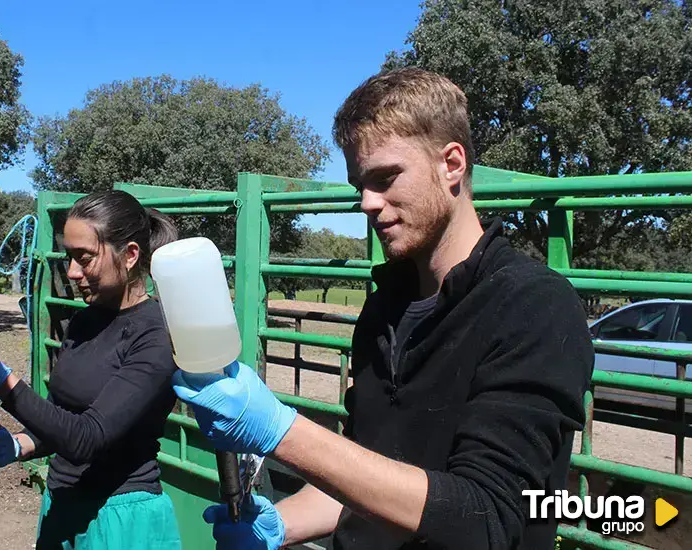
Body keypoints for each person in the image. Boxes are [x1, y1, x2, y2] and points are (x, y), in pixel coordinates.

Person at [172, 68, 595, 549]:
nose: (367, 204)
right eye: (359, 186)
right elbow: (362, 476)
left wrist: (280, 431)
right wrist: (279, 525)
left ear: (451, 163)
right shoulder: (383, 311)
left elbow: (487, 518)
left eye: (386, 178)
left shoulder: (534, 305)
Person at [0, 189, 184, 550]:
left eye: (84, 258)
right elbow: (60, 419)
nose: (71, 272)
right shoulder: (84, 321)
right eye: (69, 257)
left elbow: (86, 438)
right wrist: (20, 444)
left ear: (130, 255)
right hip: (62, 507)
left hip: (119, 520)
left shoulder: (157, 335)